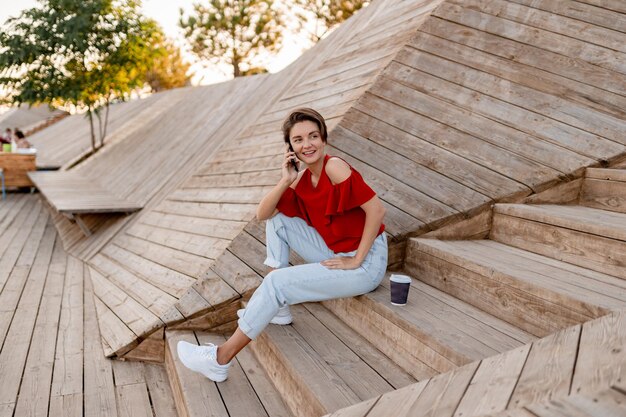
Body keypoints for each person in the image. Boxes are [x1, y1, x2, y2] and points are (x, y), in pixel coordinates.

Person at [177, 108, 388, 382]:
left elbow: (377, 211)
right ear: (291, 148)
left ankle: (220, 358)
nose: (307, 144)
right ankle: (278, 307)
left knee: (277, 283)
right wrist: (286, 179)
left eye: (313, 136)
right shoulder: (302, 180)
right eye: (298, 140)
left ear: (324, 139)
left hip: (366, 262)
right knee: (278, 222)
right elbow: (263, 214)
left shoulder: (334, 167)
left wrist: (357, 260)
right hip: (337, 251)